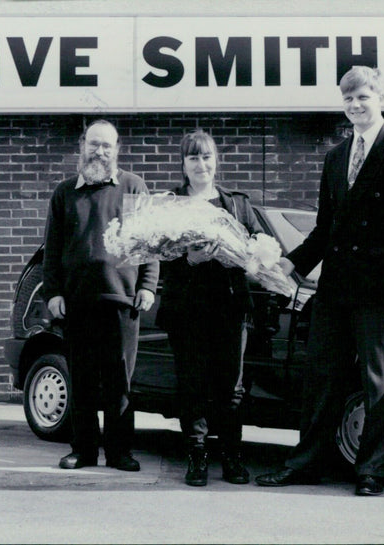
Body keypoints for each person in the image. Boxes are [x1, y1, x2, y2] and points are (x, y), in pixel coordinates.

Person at [255, 66, 384, 496]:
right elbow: (324, 228)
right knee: (320, 378)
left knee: (379, 381)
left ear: (380, 97)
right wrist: (289, 264)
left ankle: (371, 470)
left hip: (380, 289)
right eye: (348, 99)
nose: (355, 106)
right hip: (333, 289)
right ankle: (306, 463)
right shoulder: (336, 156)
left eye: (363, 97)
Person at [42, 119, 158, 472]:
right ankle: (84, 450)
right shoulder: (64, 192)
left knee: (119, 382)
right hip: (76, 303)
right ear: (82, 146)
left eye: (107, 145)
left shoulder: (134, 187)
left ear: (117, 149)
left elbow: (150, 242)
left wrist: (147, 286)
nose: (100, 151)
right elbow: (52, 249)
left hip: (123, 302)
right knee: (82, 380)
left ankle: (120, 452)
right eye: (94, 144)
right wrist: (53, 293)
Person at [156, 130, 262, 486]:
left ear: (216, 161)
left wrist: (247, 257)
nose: (201, 164)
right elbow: (156, 256)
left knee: (231, 387)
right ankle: (197, 457)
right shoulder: (170, 205)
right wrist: (189, 259)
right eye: (193, 158)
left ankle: (232, 458)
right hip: (187, 309)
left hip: (230, 308)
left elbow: (262, 248)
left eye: (206, 157)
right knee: (193, 385)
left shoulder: (237, 204)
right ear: (183, 164)